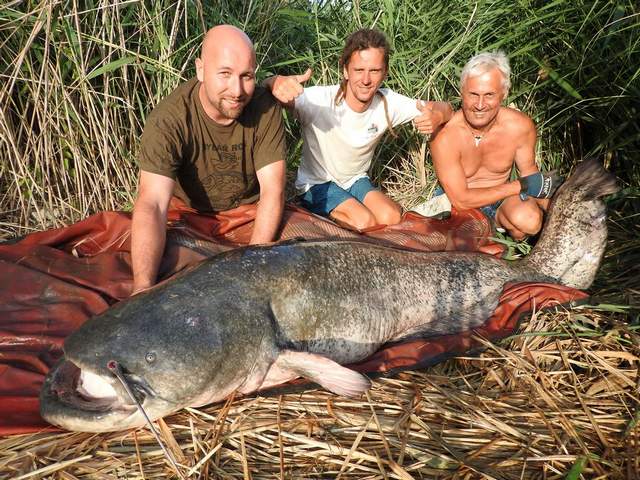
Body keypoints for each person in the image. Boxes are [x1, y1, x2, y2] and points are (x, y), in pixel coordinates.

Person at [130, 25, 286, 294]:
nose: (237, 91)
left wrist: (250, 267)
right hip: (190, 216)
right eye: (224, 74)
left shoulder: (265, 108)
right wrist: (142, 287)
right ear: (201, 69)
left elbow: (274, 191)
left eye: (246, 76)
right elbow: (153, 203)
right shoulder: (169, 118)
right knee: (158, 264)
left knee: (297, 253)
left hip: (248, 213)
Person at [264, 28, 452, 231]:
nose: (366, 80)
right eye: (359, 70)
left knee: (392, 217)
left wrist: (437, 115)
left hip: (355, 180)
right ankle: (317, 221)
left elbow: (445, 108)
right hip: (316, 184)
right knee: (364, 222)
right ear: (345, 70)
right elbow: (266, 90)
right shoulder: (318, 100)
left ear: (385, 72)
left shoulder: (388, 102)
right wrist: (274, 81)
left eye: (374, 71)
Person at [426, 51, 563, 239]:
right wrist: (520, 186)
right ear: (461, 93)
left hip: (501, 199)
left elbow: (530, 174)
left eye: (489, 95)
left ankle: (500, 231)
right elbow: (461, 200)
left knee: (529, 221)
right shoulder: (445, 134)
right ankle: (487, 236)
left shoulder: (520, 126)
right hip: (456, 204)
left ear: (503, 94)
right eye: (473, 94)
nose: (480, 105)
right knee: (462, 241)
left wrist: (559, 214)